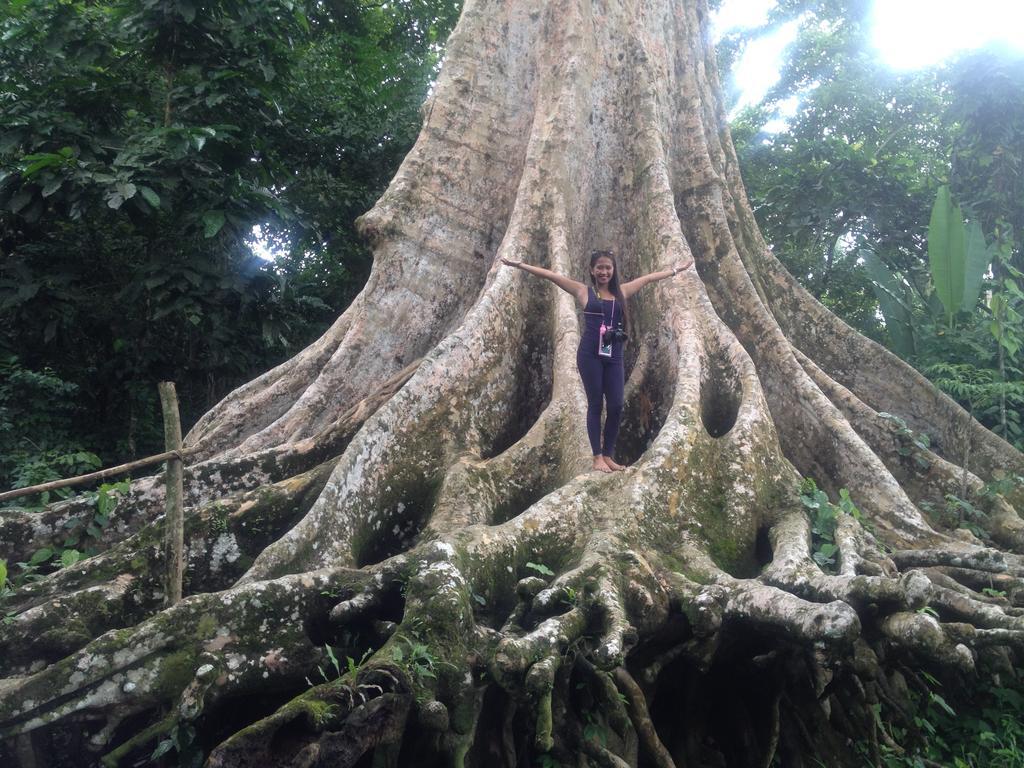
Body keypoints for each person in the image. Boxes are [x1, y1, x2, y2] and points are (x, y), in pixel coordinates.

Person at [501, 250, 691, 472]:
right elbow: (552, 276)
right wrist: (520, 265)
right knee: (595, 404)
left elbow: (648, 278)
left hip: (614, 355)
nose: (604, 271)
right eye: (599, 267)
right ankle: (597, 457)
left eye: (608, 267)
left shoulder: (622, 292)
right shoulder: (584, 292)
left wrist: (676, 270)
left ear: (613, 270)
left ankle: (609, 455)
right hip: (590, 354)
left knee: (617, 405)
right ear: (592, 270)